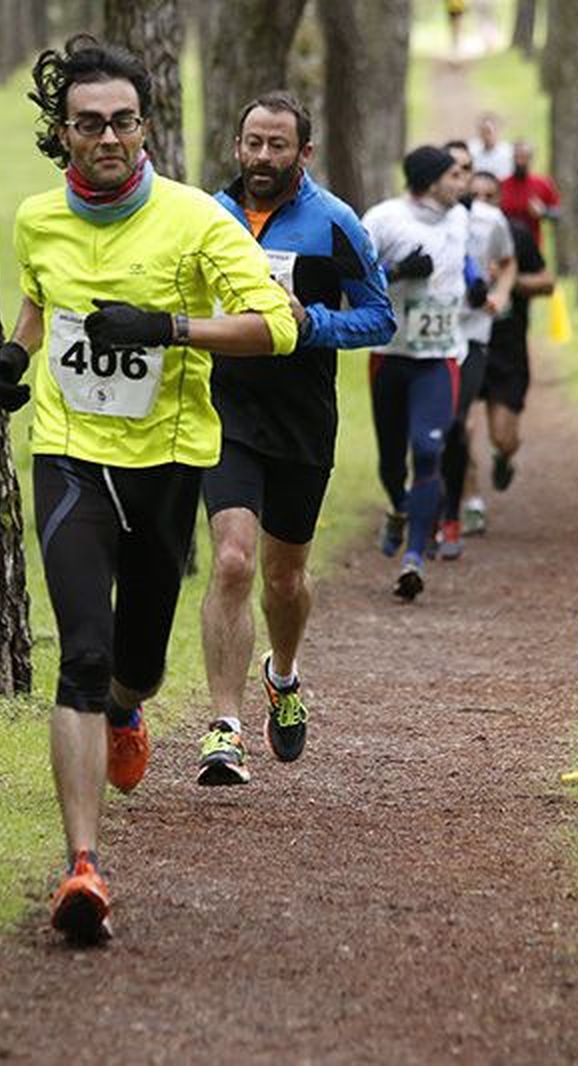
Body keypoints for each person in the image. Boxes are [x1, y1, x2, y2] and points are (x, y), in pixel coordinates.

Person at [0, 36, 298, 944]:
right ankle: (82, 868)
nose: (110, 136)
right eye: (90, 124)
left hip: (165, 465)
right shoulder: (38, 219)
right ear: (65, 134)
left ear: (145, 125)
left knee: (139, 666)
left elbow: (274, 324)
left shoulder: (198, 218)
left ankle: (129, 707)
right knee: (79, 656)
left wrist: (168, 326)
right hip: (71, 456)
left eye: (124, 120)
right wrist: (17, 351)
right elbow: (42, 299)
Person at [196, 92, 395, 786]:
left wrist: (313, 324)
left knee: (283, 578)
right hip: (222, 411)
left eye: (277, 145)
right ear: (237, 145)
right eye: (252, 142)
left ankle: (282, 674)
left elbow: (379, 319)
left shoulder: (335, 222)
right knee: (231, 561)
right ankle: (224, 727)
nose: (262, 156)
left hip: (302, 419)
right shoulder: (208, 216)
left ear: (302, 153)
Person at [361, 145, 477, 601]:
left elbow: (461, 256)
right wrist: (396, 271)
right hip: (390, 354)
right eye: (454, 176)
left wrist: (475, 280)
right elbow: (356, 280)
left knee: (428, 450)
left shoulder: (460, 217)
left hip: (440, 356)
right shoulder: (384, 219)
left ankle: (413, 559)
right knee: (392, 462)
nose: (462, 183)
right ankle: (398, 507)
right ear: (430, 182)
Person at [438, 150, 514, 561]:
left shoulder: (489, 219)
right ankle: (422, 502)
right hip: (428, 340)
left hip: (474, 333)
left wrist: (499, 294)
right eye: (454, 170)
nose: (462, 178)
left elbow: (509, 260)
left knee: (457, 421)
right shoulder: (416, 218)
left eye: (467, 169)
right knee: (436, 427)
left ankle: (455, 508)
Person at [471, 170, 554, 504]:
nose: (481, 203)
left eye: (488, 196)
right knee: (459, 430)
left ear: (499, 200)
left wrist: (510, 279)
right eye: (474, 195)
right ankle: (467, 503)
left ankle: (503, 457)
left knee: (503, 437)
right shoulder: (454, 232)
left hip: (508, 347)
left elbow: (548, 283)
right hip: (467, 344)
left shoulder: (516, 234)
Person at [498, 140, 561, 253]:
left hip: (532, 246)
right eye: (517, 156)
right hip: (506, 246)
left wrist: (544, 211)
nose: (520, 161)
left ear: (531, 159)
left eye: (524, 157)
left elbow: (558, 212)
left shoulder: (543, 184)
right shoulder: (502, 185)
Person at [469, 113, 514, 181]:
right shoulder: (472, 150)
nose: (485, 136)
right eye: (482, 132)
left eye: (488, 132)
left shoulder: (508, 152)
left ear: (496, 131)